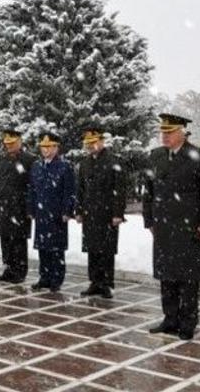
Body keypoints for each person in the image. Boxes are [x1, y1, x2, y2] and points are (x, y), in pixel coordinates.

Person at [144, 114, 200, 341]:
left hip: (189, 227)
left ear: (182, 132)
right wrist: (149, 221)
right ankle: (170, 318)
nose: (165, 136)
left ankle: (188, 322)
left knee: (188, 278)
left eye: (170, 132)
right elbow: (148, 191)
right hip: (164, 228)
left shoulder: (199, 155)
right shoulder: (156, 156)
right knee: (166, 275)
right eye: (163, 132)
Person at [75, 127, 126, 299]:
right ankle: (94, 282)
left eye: (93, 142)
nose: (90, 146)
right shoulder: (84, 163)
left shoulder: (114, 161)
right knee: (92, 249)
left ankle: (106, 284)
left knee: (106, 250)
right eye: (87, 143)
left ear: (102, 142)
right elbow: (80, 189)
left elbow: (120, 189)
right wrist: (79, 210)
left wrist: (118, 213)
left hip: (107, 214)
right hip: (90, 213)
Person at [27, 133, 76, 293]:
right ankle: (44, 277)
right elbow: (32, 190)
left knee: (56, 248)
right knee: (42, 247)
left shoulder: (64, 166)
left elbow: (69, 191)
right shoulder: (37, 166)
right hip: (41, 213)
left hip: (56, 214)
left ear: (56, 147)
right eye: (43, 147)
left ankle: (56, 279)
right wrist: (31, 209)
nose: (45, 150)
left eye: (49, 146)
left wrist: (67, 211)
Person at [0, 128, 37, 284]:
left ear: (20, 142)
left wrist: (30, 206)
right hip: (3, 206)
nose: (9, 146)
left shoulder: (29, 159)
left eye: (12, 143)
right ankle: (8, 269)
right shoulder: (1, 158)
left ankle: (19, 271)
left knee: (18, 241)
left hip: (20, 207)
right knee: (5, 240)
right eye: (7, 143)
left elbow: (33, 185)